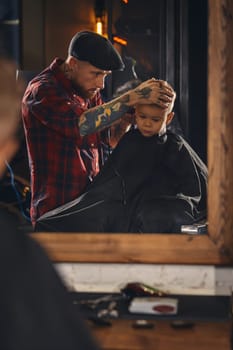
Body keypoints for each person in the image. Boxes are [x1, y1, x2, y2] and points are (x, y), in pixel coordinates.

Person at [21, 30, 174, 227]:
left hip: (90, 209)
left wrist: (126, 120)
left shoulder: (88, 92)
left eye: (105, 75)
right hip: (56, 214)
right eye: (96, 74)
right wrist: (132, 96)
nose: (101, 84)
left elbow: (109, 140)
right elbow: (80, 125)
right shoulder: (42, 90)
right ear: (73, 64)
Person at [0, 57, 101, 349]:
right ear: (6, 150)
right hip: (54, 205)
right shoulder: (15, 259)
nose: (100, 83)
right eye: (96, 73)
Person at [35, 83, 208, 233]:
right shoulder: (130, 140)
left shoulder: (175, 145)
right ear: (135, 113)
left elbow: (191, 187)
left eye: (155, 119)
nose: (147, 123)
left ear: (168, 118)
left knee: (155, 217)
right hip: (119, 200)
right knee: (54, 222)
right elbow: (108, 182)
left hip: (155, 203)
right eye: (142, 117)